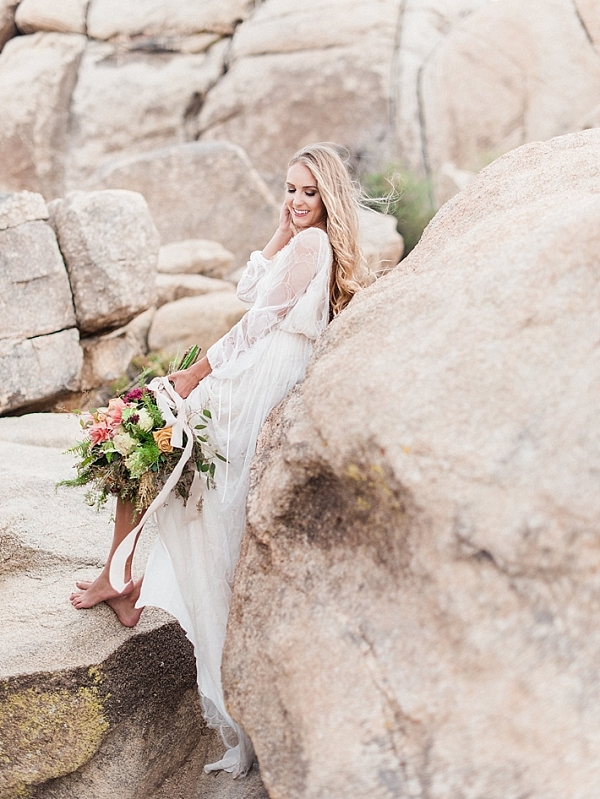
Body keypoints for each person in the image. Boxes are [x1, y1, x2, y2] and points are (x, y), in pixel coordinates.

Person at [70, 142, 370, 776]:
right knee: (141, 446)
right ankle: (119, 576)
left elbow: (256, 323)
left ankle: (120, 578)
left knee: (146, 438)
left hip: (252, 382)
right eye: (289, 189)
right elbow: (249, 285)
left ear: (331, 198)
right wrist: (282, 225)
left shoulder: (316, 247)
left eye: (309, 193)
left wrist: (195, 375)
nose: (296, 202)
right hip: (250, 375)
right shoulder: (302, 239)